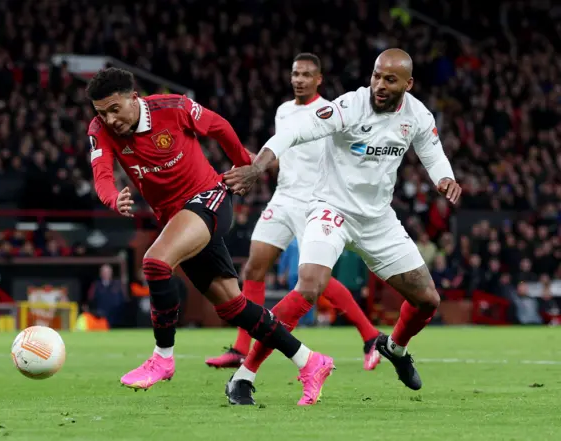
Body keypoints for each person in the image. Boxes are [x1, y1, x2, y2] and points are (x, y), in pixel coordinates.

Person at [224, 49, 462, 403]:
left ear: (408, 84)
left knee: (427, 299)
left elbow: (432, 151)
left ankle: (394, 348)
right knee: (308, 287)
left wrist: (445, 178)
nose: (379, 85)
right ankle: (244, 376)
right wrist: (258, 168)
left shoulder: (418, 115)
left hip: (378, 219)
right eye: (376, 76)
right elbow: (294, 132)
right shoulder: (349, 107)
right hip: (331, 210)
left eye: (389, 80)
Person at [86, 67, 334, 405]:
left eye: (115, 109)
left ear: (134, 98)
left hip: (209, 197)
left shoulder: (172, 107)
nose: (110, 119)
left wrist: (242, 164)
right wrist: (113, 197)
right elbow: (101, 176)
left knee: (156, 263)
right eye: (102, 112)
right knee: (233, 307)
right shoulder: (99, 129)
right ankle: (310, 360)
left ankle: (162, 357)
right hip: (178, 218)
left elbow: (218, 126)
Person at [206, 54, 382, 379]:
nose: (299, 79)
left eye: (306, 75)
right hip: (282, 197)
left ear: (319, 80)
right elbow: (282, 156)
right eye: (295, 74)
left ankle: (370, 336)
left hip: (313, 202)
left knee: (318, 281)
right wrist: (250, 162)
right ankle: (241, 348)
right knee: (254, 267)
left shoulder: (331, 112)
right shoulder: (283, 111)